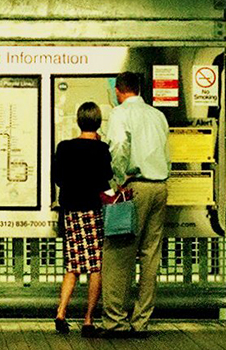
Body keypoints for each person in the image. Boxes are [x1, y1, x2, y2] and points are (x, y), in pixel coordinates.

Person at [95, 71, 170, 338]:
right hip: (160, 186)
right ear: (140, 89)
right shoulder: (157, 115)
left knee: (118, 253)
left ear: (118, 91)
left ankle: (115, 321)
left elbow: (117, 147)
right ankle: (141, 321)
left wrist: (116, 182)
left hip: (132, 187)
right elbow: (166, 153)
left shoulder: (120, 114)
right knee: (151, 256)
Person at [51, 102, 113, 337]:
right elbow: (106, 179)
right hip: (93, 211)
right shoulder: (102, 149)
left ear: (78, 121)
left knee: (73, 264)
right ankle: (88, 320)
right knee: (95, 265)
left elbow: (57, 178)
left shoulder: (64, 147)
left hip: (70, 211)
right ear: (98, 123)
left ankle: (61, 312)